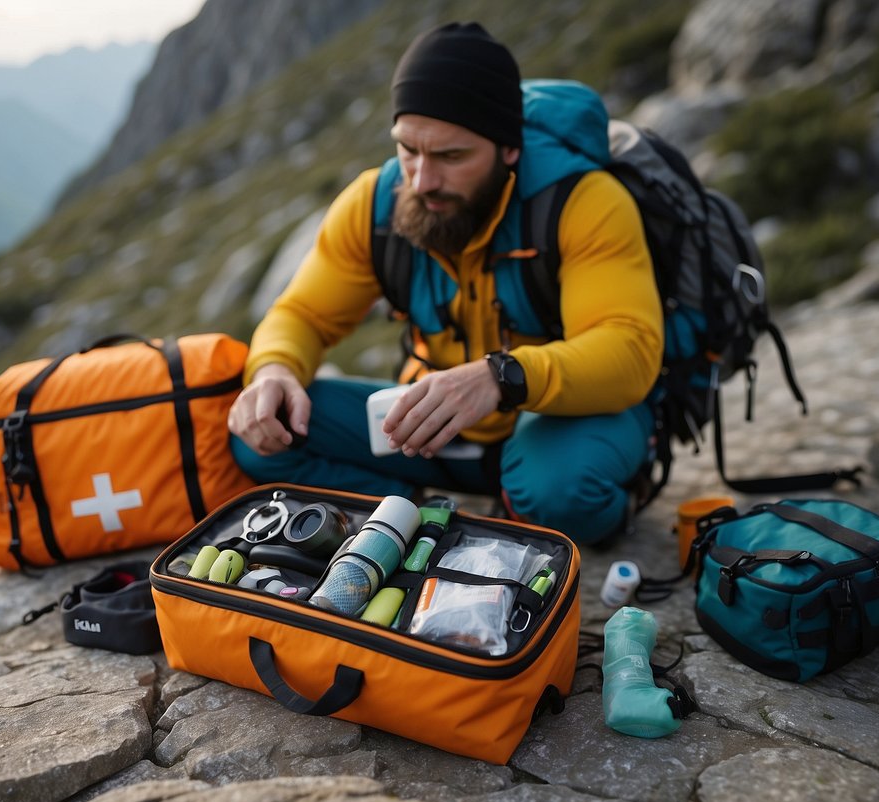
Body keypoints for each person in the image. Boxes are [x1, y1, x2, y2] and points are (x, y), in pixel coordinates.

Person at [227, 22, 662, 544]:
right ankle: (418, 516)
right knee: (262, 437)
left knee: (559, 493)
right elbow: (303, 315)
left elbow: (631, 351)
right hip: (430, 426)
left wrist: (500, 378)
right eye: (408, 149)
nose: (422, 180)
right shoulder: (374, 203)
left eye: (451, 157)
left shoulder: (584, 201)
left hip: (552, 417)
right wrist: (275, 369)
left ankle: (586, 496)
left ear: (509, 150)